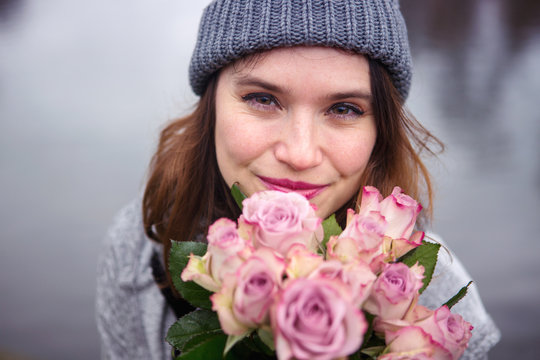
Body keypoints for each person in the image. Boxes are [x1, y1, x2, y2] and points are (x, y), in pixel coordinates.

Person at [96, 0, 501, 359]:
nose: (300, 154)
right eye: (262, 99)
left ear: (382, 130)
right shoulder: (139, 252)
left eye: (344, 108)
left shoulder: (433, 304)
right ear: (212, 106)